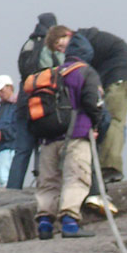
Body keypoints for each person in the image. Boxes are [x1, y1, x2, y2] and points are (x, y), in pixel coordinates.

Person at [47, 24, 127, 183]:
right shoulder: (88, 38)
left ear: (66, 34)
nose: (62, 50)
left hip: (119, 76)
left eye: (60, 45)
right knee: (115, 121)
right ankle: (105, 164)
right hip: (126, 75)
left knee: (112, 120)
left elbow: (83, 60)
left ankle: (109, 168)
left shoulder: (78, 40)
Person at [34, 32, 103, 239]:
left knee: (48, 181)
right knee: (76, 177)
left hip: (48, 137)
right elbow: (93, 102)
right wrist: (97, 124)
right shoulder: (85, 72)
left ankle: (45, 223)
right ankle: (70, 222)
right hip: (76, 134)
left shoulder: (52, 73)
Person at [6, 13, 63, 190]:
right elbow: (58, 71)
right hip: (44, 104)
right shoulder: (50, 44)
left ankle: (12, 188)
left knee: (22, 150)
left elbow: (22, 68)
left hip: (24, 100)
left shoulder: (27, 44)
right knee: (47, 145)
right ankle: (44, 185)